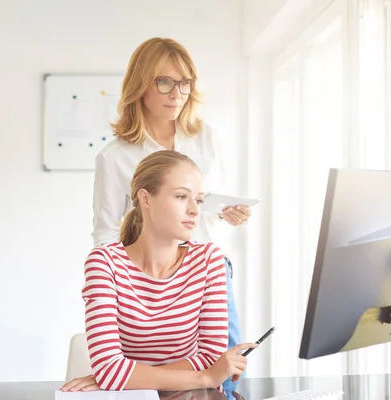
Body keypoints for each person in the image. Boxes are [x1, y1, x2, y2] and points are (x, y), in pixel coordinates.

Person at [91, 37, 252, 394]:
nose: (176, 93)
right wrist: (127, 280)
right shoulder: (115, 157)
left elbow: (205, 204)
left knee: (226, 371)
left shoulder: (206, 138)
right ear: (140, 85)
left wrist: (226, 213)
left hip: (207, 269)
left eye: (184, 83)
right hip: (145, 281)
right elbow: (105, 232)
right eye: (164, 82)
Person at [61, 150, 256, 393]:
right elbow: (110, 370)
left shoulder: (209, 261)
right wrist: (204, 378)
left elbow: (210, 358)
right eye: (181, 196)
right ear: (145, 199)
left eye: (199, 199)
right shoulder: (104, 263)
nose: (194, 210)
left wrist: (126, 376)